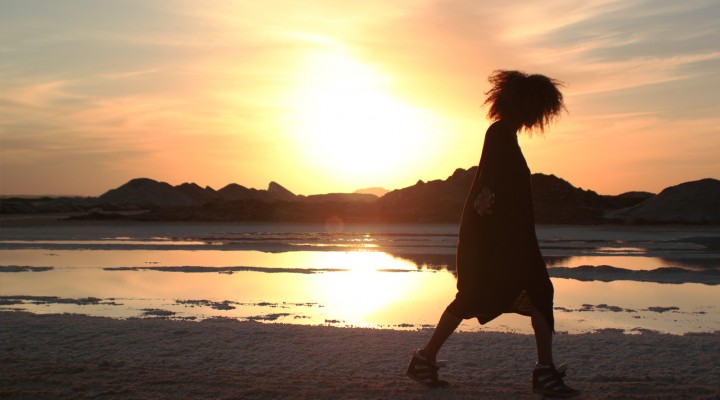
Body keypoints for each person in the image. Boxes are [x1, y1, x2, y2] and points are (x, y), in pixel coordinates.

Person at [406, 70, 579, 398]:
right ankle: (543, 373)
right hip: (499, 240)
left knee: (526, 293)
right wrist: (501, 238)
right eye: (537, 109)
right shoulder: (500, 135)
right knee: (488, 295)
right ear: (526, 107)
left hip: (503, 237)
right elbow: (491, 192)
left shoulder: (504, 135)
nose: (538, 117)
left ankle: (425, 359)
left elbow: (494, 193)